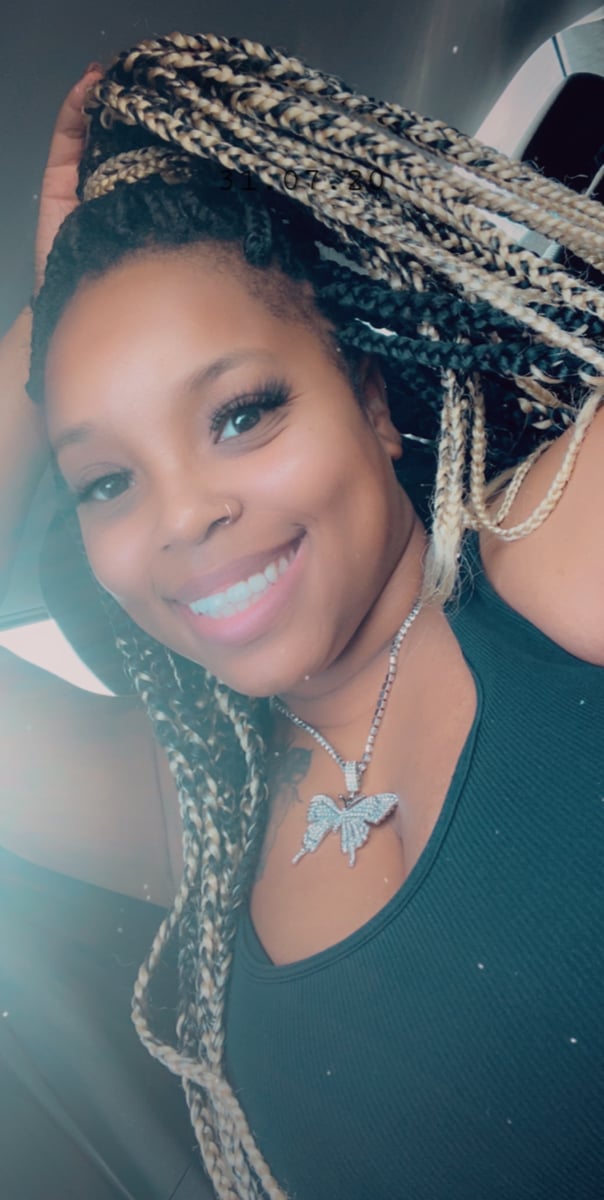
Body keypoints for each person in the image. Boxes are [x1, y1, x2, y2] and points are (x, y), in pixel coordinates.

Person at [1, 30, 603, 1200]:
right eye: (107, 480)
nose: (183, 515)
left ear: (369, 396)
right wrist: (50, 315)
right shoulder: (188, 822)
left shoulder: (549, 557)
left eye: (241, 414)